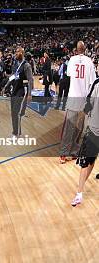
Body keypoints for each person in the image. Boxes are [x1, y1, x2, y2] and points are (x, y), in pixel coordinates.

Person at [59, 41, 95, 164]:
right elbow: (92, 82)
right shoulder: (89, 61)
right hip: (84, 99)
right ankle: (73, 151)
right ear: (85, 49)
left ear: (76, 50)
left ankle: (64, 153)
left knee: (69, 127)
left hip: (73, 97)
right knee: (79, 128)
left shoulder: (72, 60)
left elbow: (69, 74)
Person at [71, 72, 99, 206]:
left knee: (86, 162)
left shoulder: (97, 84)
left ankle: (79, 193)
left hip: (94, 130)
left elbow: (88, 104)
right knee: (91, 161)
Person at [10, 49, 34, 138]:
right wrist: (6, 86)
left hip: (21, 91)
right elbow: (13, 76)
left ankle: (16, 133)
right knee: (13, 112)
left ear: (22, 54)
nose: (16, 53)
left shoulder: (26, 65)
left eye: (18, 52)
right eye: (15, 52)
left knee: (17, 112)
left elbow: (30, 80)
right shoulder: (15, 64)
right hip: (14, 90)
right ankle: (15, 132)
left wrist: (30, 94)